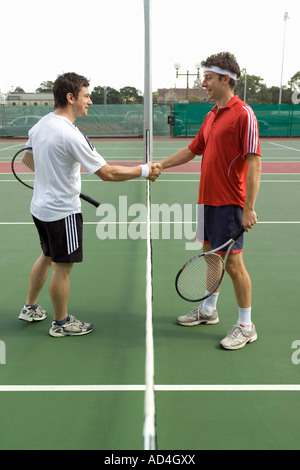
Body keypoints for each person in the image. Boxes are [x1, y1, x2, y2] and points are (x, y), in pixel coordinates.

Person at [18, 72, 161, 337]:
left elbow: (28, 161)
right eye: (86, 96)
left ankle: (30, 307)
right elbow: (107, 173)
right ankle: (61, 323)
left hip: (40, 208)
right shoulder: (71, 135)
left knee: (46, 256)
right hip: (62, 212)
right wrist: (144, 170)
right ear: (70, 97)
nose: (90, 101)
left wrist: (53, 175)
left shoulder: (40, 125)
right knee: (62, 267)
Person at [158, 52, 261, 350]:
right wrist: (160, 165)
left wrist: (248, 208)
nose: (203, 83)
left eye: (207, 78)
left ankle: (246, 325)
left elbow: (254, 163)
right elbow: (192, 151)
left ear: (224, 79)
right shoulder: (211, 115)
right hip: (207, 201)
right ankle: (208, 310)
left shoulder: (243, 114)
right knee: (211, 256)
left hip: (230, 203)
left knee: (233, 266)